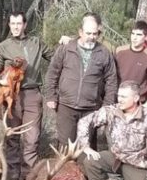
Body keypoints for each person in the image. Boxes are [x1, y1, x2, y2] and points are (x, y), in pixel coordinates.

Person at [76, 81, 147, 180]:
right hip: (115, 158)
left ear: (136, 98)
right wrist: (85, 146)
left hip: (137, 165)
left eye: (124, 97)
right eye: (119, 96)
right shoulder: (111, 111)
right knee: (91, 161)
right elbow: (85, 122)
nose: (119, 99)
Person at [0, 11, 51, 179]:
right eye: (13, 24)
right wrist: (2, 81)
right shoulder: (4, 46)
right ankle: (11, 177)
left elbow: (55, 57)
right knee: (12, 137)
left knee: (32, 138)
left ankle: (28, 178)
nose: (16, 27)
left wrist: (67, 44)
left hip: (32, 94)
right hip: (12, 97)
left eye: (19, 24)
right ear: (9, 25)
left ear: (25, 25)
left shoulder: (36, 43)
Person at [45, 12, 117, 146]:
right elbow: (52, 73)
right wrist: (51, 96)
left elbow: (111, 81)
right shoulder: (66, 49)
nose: (92, 37)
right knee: (66, 146)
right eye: (88, 33)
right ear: (80, 32)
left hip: (91, 109)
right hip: (66, 106)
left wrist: (106, 106)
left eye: (95, 34)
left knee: (87, 147)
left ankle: (86, 168)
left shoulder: (104, 53)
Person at [113, 20, 147, 110]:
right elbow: (110, 77)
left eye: (138, 35)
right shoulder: (119, 51)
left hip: (137, 104)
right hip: (117, 101)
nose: (134, 37)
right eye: (133, 34)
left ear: (146, 37)